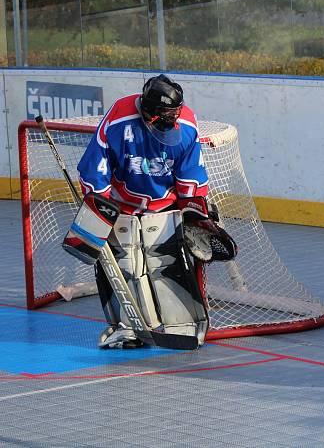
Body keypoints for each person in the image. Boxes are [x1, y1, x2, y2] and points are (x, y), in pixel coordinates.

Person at [66, 74, 235, 349]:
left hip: (165, 206)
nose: (173, 121)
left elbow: (190, 177)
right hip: (123, 206)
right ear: (149, 113)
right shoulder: (118, 120)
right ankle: (127, 327)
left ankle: (181, 324)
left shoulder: (187, 127)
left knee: (166, 263)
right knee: (125, 265)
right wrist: (102, 213)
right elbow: (95, 170)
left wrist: (193, 212)